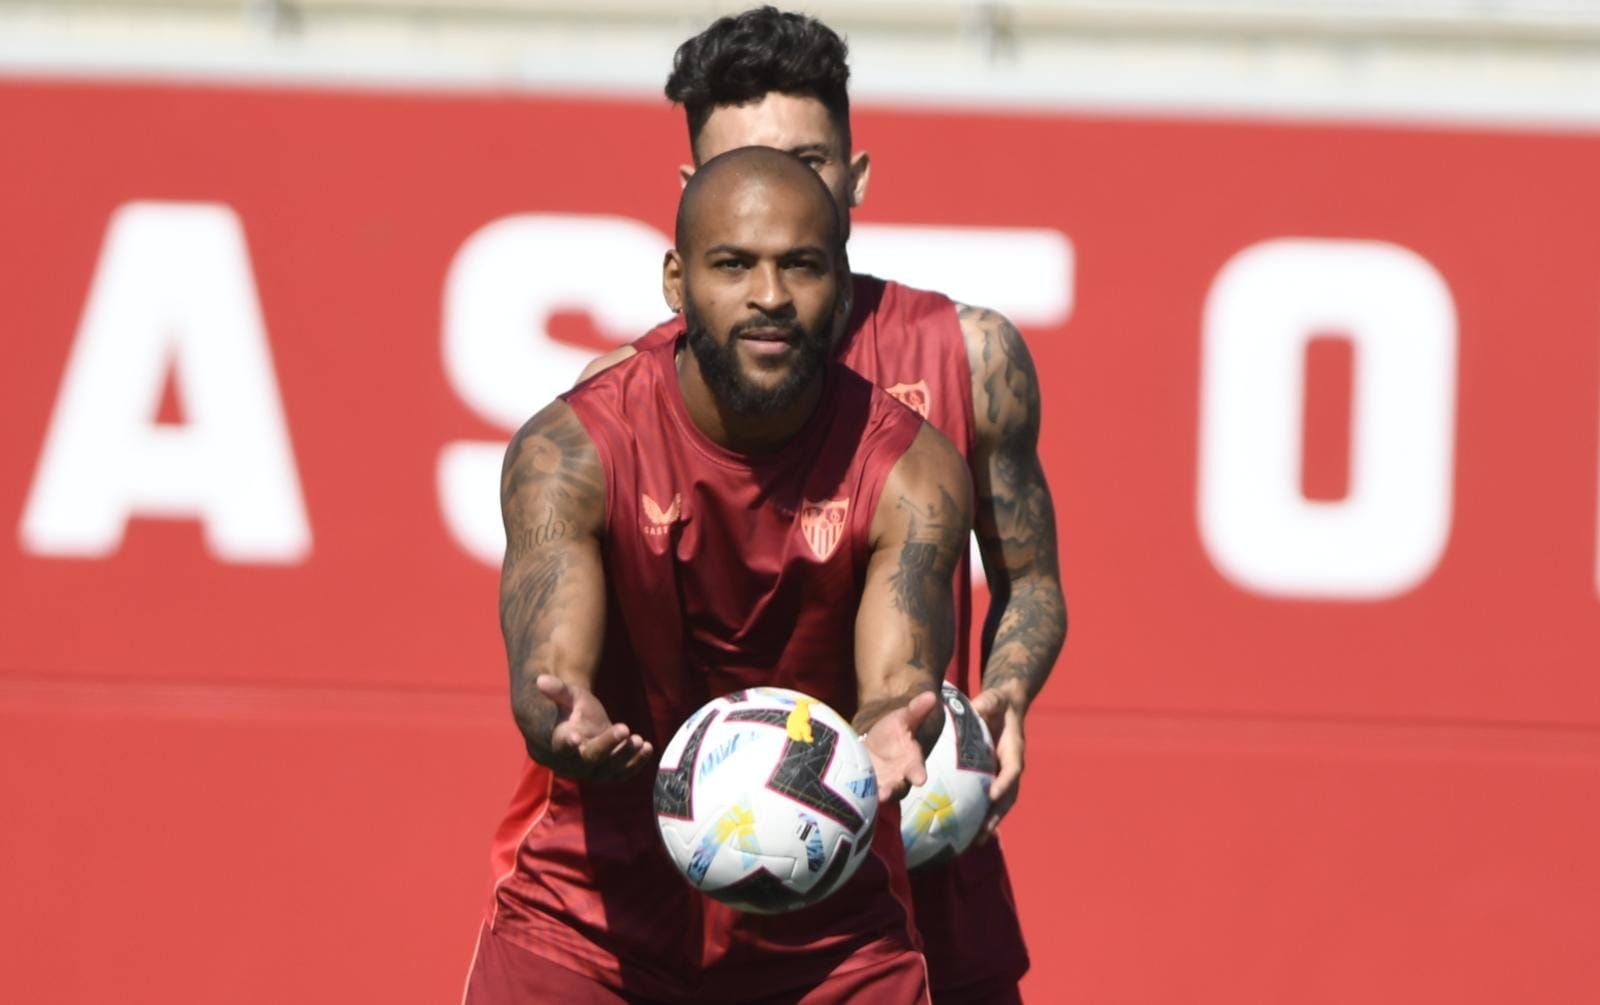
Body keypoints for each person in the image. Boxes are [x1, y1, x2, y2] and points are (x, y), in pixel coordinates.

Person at [577, 8, 1067, 1001]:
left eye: (808, 163)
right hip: (696, 879)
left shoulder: (968, 356)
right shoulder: (625, 400)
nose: (779, 194)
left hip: (919, 844)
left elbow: (1032, 587)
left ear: (856, 176)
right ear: (695, 197)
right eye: (747, 169)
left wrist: (1007, 695)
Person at [466, 147, 973, 1003]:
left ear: (842, 290)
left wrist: (892, 727)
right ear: (676, 280)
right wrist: (563, 721)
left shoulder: (911, 473)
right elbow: (548, 671)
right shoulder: (571, 451)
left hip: (829, 930)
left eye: (800, 266)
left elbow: (898, 682)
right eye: (734, 265)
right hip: (587, 922)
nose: (769, 296)